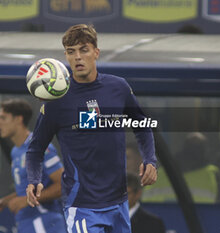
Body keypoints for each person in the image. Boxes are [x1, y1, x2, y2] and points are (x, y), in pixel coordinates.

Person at [26, 24, 158, 233]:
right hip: (82, 205)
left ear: (96, 52)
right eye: (71, 52)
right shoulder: (56, 101)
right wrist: (34, 179)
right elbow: (35, 149)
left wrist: (150, 159)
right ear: (66, 56)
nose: (77, 57)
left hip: (118, 202)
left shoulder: (118, 87)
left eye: (83, 50)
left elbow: (142, 126)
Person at [0, 99, 66, 233]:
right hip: (26, 224)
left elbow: (62, 185)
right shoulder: (15, 152)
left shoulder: (40, 147)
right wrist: (4, 202)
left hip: (44, 223)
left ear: (18, 119)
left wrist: (26, 200)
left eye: (3, 118)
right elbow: (26, 188)